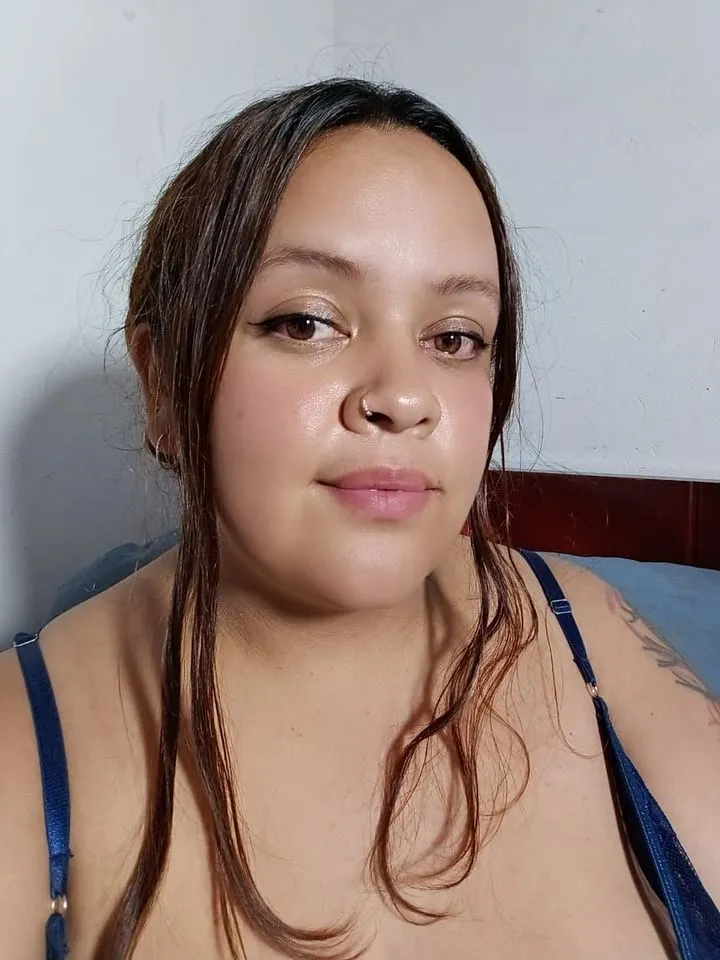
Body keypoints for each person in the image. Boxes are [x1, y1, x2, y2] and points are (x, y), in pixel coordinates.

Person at [0, 78, 718, 960]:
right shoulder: (21, 757)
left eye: (455, 337)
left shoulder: (588, 634)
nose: (404, 396)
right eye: (307, 322)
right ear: (161, 383)